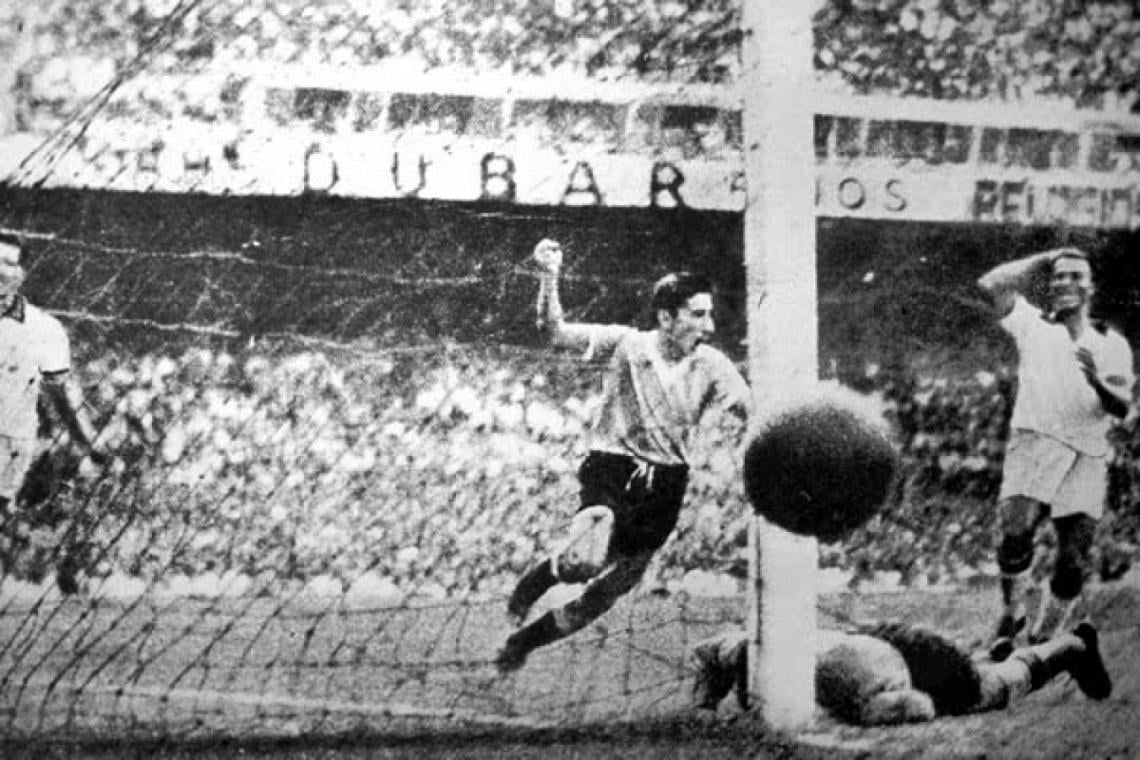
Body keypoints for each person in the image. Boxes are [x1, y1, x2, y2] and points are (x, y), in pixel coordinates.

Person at [494, 238, 750, 673]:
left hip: (667, 483)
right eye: (698, 314)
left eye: (710, 314)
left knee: (607, 591)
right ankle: (536, 582)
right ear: (667, 317)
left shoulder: (711, 364)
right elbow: (554, 332)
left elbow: (747, 406)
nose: (708, 326)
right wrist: (549, 276)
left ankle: (524, 641)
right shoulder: (627, 344)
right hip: (614, 466)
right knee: (584, 561)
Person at [977, 248, 1134, 648]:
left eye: (1075, 276)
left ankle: (1045, 632)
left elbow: (1120, 407)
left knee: (1072, 564)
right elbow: (991, 283)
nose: (1065, 282)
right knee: (1014, 532)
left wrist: (1096, 379)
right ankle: (1011, 616)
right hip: (1034, 440)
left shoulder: (1112, 343)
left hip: (1085, 451)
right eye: (1059, 276)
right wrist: (1049, 256)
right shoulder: (1033, 325)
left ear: (1090, 287)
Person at [691, 620, 1112, 725]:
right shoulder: (752, 647)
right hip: (882, 638)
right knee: (980, 672)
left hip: (912, 663)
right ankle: (988, 656)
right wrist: (705, 706)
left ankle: (1070, 646)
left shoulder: (856, 686)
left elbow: (921, 707)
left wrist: (849, 718)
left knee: (992, 688)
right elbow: (712, 652)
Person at [0, 234, 105, 590]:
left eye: (10, 263)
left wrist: (89, 441)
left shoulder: (43, 329)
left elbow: (64, 392)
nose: (1, 271)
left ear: (22, 273)